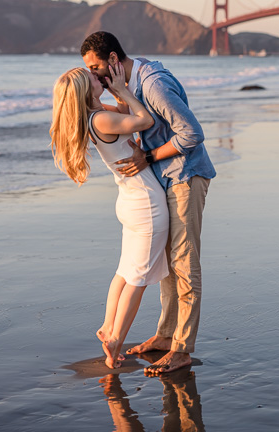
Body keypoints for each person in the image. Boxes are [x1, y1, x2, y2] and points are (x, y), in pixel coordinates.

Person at [80, 31, 216, 375]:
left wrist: (149, 156)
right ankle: (166, 336)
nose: (94, 76)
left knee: (184, 265)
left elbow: (192, 134)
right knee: (168, 265)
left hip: (185, 176)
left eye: (96, 68)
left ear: (113, 59)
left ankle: (182, 349)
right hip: (164, 178)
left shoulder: (153, 84)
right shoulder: (126, 85)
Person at [50, 62, 169, 370]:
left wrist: (117, 95)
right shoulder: (101, 118)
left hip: (131, 202)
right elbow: (145, 120)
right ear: (85, 90)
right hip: (145, 204)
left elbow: (127, 119)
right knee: (138, 278)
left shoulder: (95, 116)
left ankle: (107, 327)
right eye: (93, 77)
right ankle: (115, 339)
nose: (99, 77)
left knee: (125, 271)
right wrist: (123, 90)